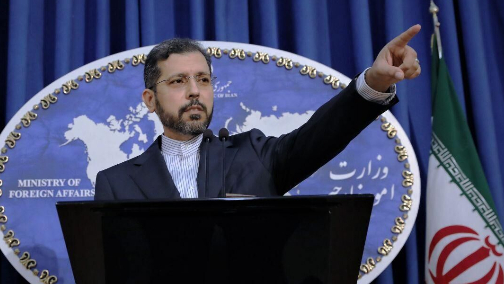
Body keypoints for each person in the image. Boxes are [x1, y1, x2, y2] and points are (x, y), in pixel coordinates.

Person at [94, 26, 422, 201]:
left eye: (204, 80)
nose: (195, 91)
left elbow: (323, 134)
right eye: (179, 81)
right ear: (150, 99)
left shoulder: (254, 154)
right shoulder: (116, 183)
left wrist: (374, 82)